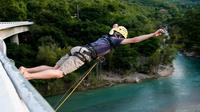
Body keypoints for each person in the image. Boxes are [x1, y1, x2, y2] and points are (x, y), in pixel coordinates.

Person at [19, 24, 165, 80]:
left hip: (79, 49)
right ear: (121, 37)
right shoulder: (115, 40)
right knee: (59, 74)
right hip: (83, 55)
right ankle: (28, 77)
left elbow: (113, 28)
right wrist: (153, 34)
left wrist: (115, 26)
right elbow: (135, 40)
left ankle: (26, 69)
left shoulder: (107, 36)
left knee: (53, 68)